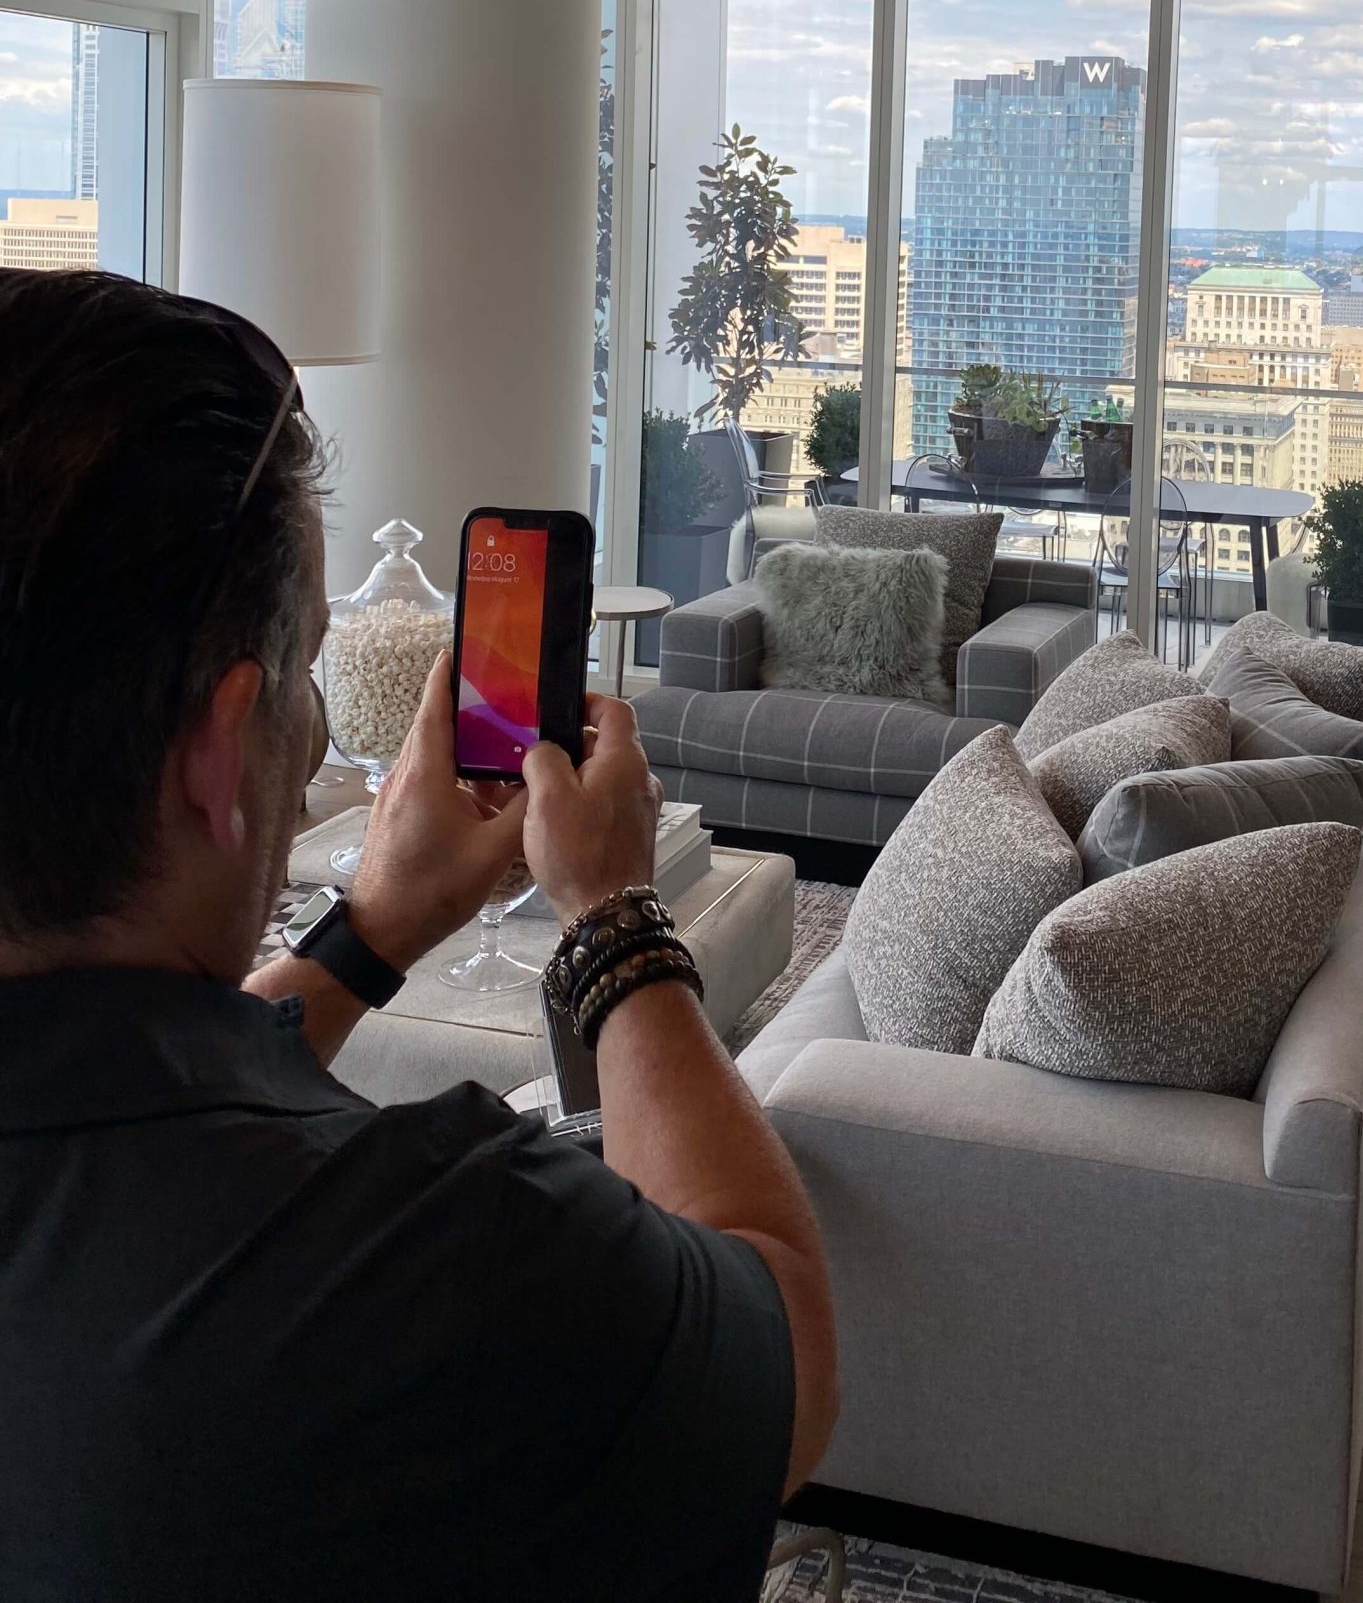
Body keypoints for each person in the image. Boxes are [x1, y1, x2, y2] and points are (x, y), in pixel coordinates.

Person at [0, 271, 836, 1603]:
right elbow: (779, 1340)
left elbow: (133, 1076)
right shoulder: (450, 1254)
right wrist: (616, 920)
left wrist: (375, 925)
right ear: (223, 748)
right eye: (305, 684)